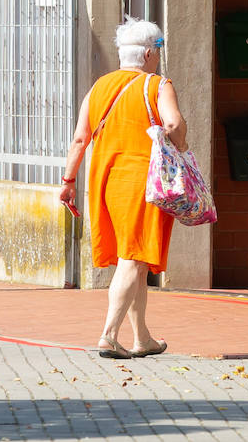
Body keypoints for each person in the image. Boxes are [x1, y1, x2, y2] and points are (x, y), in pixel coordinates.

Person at [59, 18, 187, 359]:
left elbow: (80, 139)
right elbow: (173, 123)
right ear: (148, 53)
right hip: (142, 182)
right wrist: (181, 144)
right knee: (132, 258)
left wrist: (68, 182)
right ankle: (109, 335)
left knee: (134, 258)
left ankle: (142, 337)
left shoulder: (100, 87)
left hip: (106, 182)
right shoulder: (157, 85)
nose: (159, 56)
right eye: (158, 49)